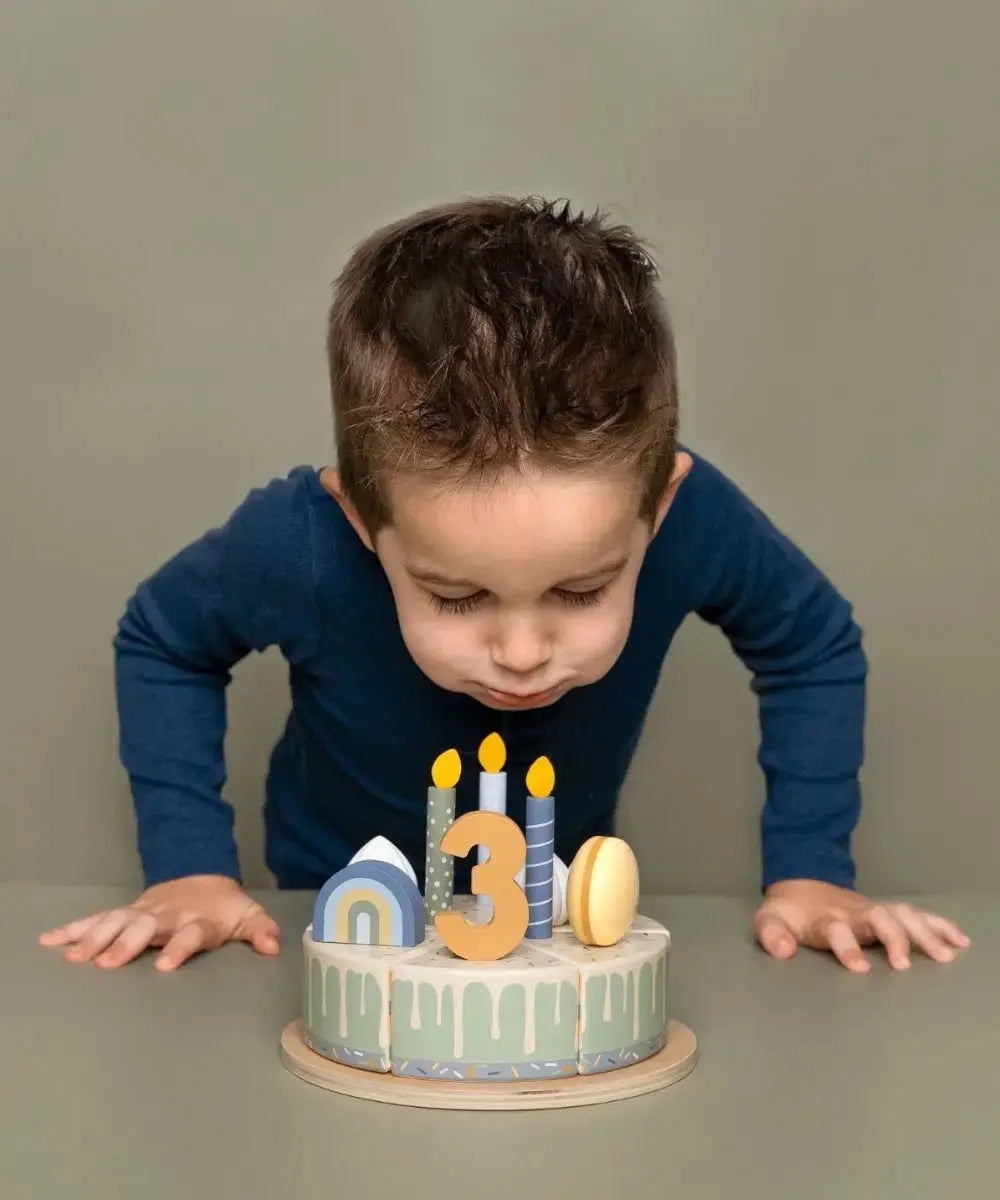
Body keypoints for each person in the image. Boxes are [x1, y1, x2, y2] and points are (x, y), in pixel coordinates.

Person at [40, 196, 969, 975]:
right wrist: (190, 869)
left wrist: (810, 871)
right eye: (456, 598)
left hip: (555, 932)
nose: (522, 655)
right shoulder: (303, 543)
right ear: (365, 527)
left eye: (581, 592)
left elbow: (811, 643)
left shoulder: (694, 518)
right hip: (334, 928)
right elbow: (166, 639)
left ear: (657, 509)